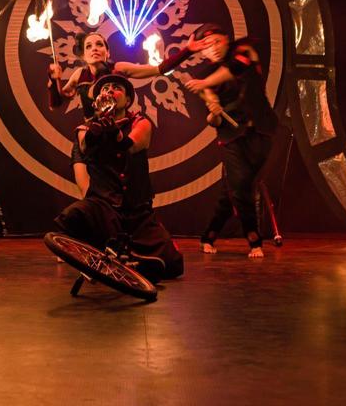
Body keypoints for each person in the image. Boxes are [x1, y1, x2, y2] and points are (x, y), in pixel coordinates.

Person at [53, 74, 183, 283]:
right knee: (72, 216)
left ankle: (129, 262)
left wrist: (115, 132)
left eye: (116, 88)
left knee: (172, 263)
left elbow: (131, 146)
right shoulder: (85, 129)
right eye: (105, 89)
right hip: (104, 206)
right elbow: (85, 147)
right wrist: (97, 127)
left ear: (128, 100)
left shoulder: (141, 122)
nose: (110, 91)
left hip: (137, 211)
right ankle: (102, 255)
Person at [47, 31, 203, 195]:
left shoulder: (118, 68)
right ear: (84, 56)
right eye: (89, 46)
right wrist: (52, 81)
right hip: (88, 138)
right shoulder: (79, 75)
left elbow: (159, 69)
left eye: (99, 44)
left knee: (121, 192)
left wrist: (188, 50)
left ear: (108, 52)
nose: (94, 49)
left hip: (116, 136)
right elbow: (55, 104)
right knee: (89, 196)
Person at [183, 24, 278, 258]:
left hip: (262, 130)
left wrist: (205, 84)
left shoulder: (245, 49)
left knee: (234, 190)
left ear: (226, 39)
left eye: (217, 42)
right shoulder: (204, 76)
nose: (213, 48)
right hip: (231, 137)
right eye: (206, 46)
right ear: (202, 52)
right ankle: (254, 240)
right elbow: (213, 120)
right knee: (241, 183)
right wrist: (214, 110)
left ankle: (209, 236)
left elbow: (235, 68)